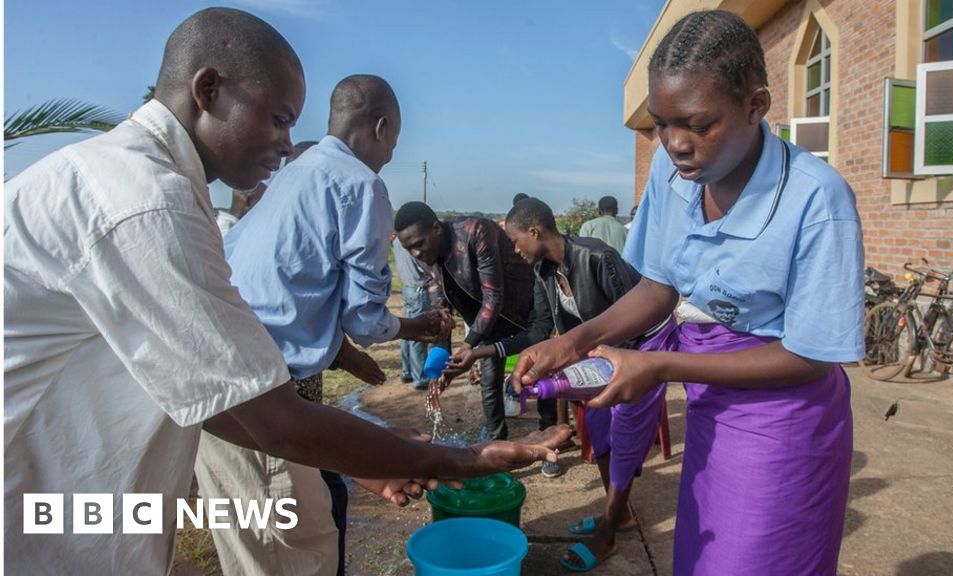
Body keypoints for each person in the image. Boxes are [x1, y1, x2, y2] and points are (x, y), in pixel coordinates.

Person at [3, 9, 568, 574]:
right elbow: (271, 414)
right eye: (278, 120)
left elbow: (207, 395)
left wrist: (366, 452)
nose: (286, 144)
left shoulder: (147, 182)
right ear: (207, 90)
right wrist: (462, 458)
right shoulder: (145, 206)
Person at [514, 10, 863, 576]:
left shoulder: (816, 199)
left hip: (782, 418)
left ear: (756, 105)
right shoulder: (671, 174)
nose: (676, 144)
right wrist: (574, 341)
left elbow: (812, 353)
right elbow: (660, 286)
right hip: (709, 401)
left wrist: (661, 367)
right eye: (660, 124)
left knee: (754, 560)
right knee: (702, 555)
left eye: (698, 124)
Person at [195, 75, 456, 575]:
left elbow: (282, 290)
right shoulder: (361, 184)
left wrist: (363, 451)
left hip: (232, 394)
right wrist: (415, 327)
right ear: (381, 128)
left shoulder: (291, 176)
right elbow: (365, 319)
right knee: (291, 556)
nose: (389, 156)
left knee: (285, 540)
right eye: (394, 143)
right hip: (265, 400)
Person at [447, 197, 676, 570]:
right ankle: (618, 514)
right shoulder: (544, 272)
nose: (515, 250)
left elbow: (636, 315)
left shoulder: (597, 257)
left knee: (625, 431)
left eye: (516, 241)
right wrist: (483, 353)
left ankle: (607, 534)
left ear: (535, 231)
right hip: (602, 352)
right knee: (598, 427)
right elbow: (540, 330)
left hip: (645, 346)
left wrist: (600, 368)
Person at [393, 202, 559, 447]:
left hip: (523, 311)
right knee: (489, 382)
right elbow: (441, 306)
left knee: (538, 372)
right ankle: (496, 441)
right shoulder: (427, 255)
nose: (415, 253)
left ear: (436, 229)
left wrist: (468, 345)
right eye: (408, 249)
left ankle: (550, 434)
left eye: (418, 244)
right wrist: (441, 362)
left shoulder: (475, 231)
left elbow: (493, 296)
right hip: (486, 323)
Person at [393, 237, 434, 390]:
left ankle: (407, 371)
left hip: (408, 287)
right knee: (418, 333)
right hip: (419, 288)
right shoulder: (413, 240)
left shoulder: (397, 240)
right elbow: (424, 264)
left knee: (407, 331)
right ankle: (421, 378)